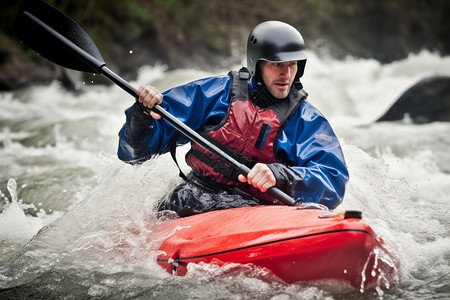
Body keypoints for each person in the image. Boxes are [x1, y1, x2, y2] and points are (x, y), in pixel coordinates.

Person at [118, 21, 349, 217]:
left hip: (258, 210)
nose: (286, 75)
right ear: (257, 64)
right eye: (277, 65)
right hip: (194, 197)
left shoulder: (306, 121)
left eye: (292, 65)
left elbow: (333, 178)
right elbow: (134, 154)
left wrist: (282, 175)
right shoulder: (214, 94)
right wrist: (142, 115)